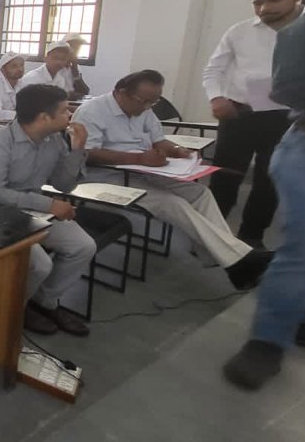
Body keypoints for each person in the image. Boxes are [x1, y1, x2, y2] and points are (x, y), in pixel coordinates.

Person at [222, 0, 305, 390]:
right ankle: (267, 341)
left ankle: (302, 318)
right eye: (260, 1)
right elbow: (291, 85)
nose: (264, 7)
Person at [71, 69, 272, 289]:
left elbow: (159, 141)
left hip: (145, 170)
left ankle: (230, 260)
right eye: (144, 101)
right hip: (104, 178)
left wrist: (178, 151)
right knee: (172, 203)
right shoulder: (92, 111)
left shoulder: (143, 110)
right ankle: (238, 261)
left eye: (154, 102)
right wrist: (138, 158)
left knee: (200, 193)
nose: (148, 107)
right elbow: (87, 155)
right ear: (122, 92)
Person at [0, 85, 95, 336]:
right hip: (0, 213)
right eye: (64, 111)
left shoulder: (53, 140)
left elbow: (64, 184)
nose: (70, 116)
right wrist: (49, 205)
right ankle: (17, 308)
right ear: (43, 117)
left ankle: (44, 301)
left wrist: (77, 150)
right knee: (39, 265)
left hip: (36, 210)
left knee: (83, 246)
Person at [202, 0, 304, 249]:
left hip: (287, 117)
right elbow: (213, 70)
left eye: (274, 1)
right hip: (238, 113)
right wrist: (216, 98)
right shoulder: (240, 31)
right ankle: (214, 233)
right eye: (257, 3)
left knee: (269, 179)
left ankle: (251, 235)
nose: (264, 9)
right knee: (225, 174)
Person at [0, 52, 26, 124]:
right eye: (14, 66)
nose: (20, 69)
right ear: (2, 70)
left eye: (22, 65)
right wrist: (19, 115)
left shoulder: (23, 84)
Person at [60, 33, 92, 100]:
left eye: (78, 47)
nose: (75, 50)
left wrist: (75, 70)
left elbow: (85, 91)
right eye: (73, 47)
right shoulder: (56, 66)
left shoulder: (75, 67)